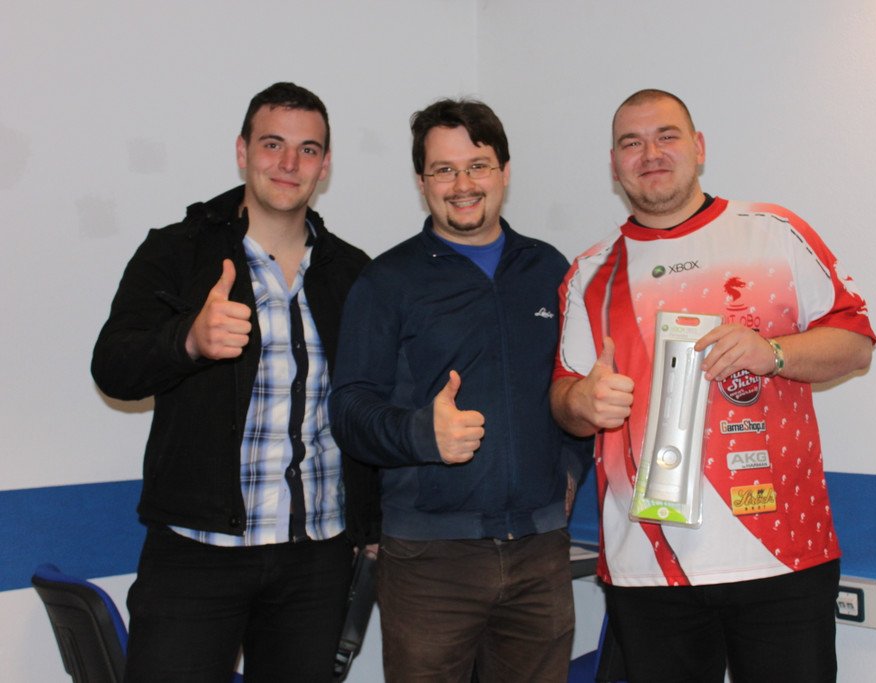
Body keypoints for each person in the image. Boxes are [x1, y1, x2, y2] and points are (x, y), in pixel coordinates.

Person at [550, 88, 876, 682]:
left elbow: (855, 344)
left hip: (780, 555)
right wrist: (583, 401)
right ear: (615, 163)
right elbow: (564, 399)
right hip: (648, 565)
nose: (651, 153)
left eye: (666, 136)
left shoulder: (773, 232)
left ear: (698, 147)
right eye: (632, 143)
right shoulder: (590, 273)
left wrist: (773, 352)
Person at [91, 82, 378, 683]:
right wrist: (188, 341)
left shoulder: (354, 273)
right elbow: (112, 367)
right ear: (243, 151)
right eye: (273, 144)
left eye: (307, 149)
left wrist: (372, 526)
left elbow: (368, 406)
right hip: (196, 553)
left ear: (324, 165)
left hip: (316, 558)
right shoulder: (178, 252)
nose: (289, 163)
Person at [329, 98, 589, 682]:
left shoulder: (550, 270)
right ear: (422, 181)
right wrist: (422, 433)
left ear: (505, 171)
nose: (463, 184)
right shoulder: (386, 281)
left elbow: (575, 388)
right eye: (444, 170)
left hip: (540, 554)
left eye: (478, 166)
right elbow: (348, 410)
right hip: (430, 563)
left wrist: (572, 469)